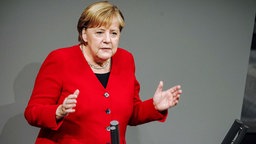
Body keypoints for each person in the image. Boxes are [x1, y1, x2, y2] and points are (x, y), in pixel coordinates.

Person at [24, 1, 182, 144]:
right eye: (99, 32)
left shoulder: (125, 59)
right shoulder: (60, 60)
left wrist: (155, 107)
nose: (108, 39)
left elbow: (130, 113)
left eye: (114, 33)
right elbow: (32, 112)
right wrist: (58, 111)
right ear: (84, 34)